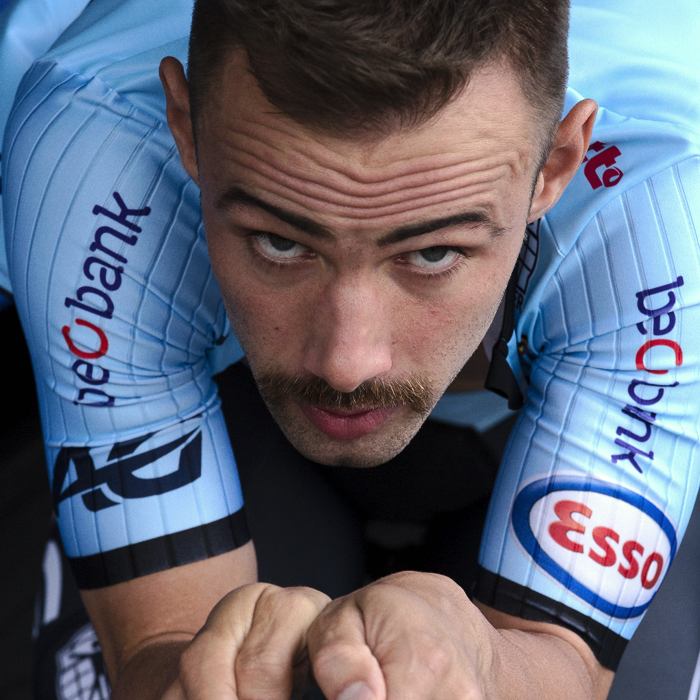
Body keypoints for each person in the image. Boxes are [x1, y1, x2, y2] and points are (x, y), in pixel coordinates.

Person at [3, 0, 700, 698]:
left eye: (432, 252)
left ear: (557, 166)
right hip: (229, 398)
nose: (347, 362)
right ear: (186, 127)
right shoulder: (99, 143)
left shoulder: (671, 200)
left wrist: (486, 663)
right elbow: (156, 646)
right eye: (279, 241)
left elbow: (564, 663)